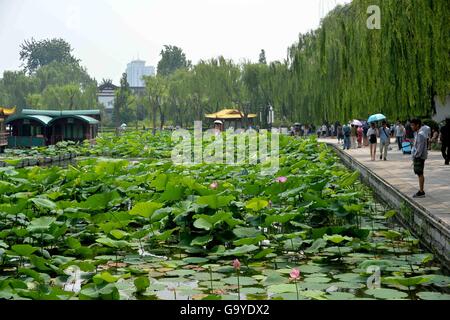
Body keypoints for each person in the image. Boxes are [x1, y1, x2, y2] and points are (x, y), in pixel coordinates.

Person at [411, 119, 428, 198]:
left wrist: (416, 156)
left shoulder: (421, 134)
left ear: (417, 125)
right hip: (418, 156)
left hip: (419, 157)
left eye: (413, 125)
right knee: (419, 173)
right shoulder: (417, 133)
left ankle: (421, 191)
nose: (412, 127)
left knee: (420, 173)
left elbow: (420, 148)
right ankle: (421, 190)